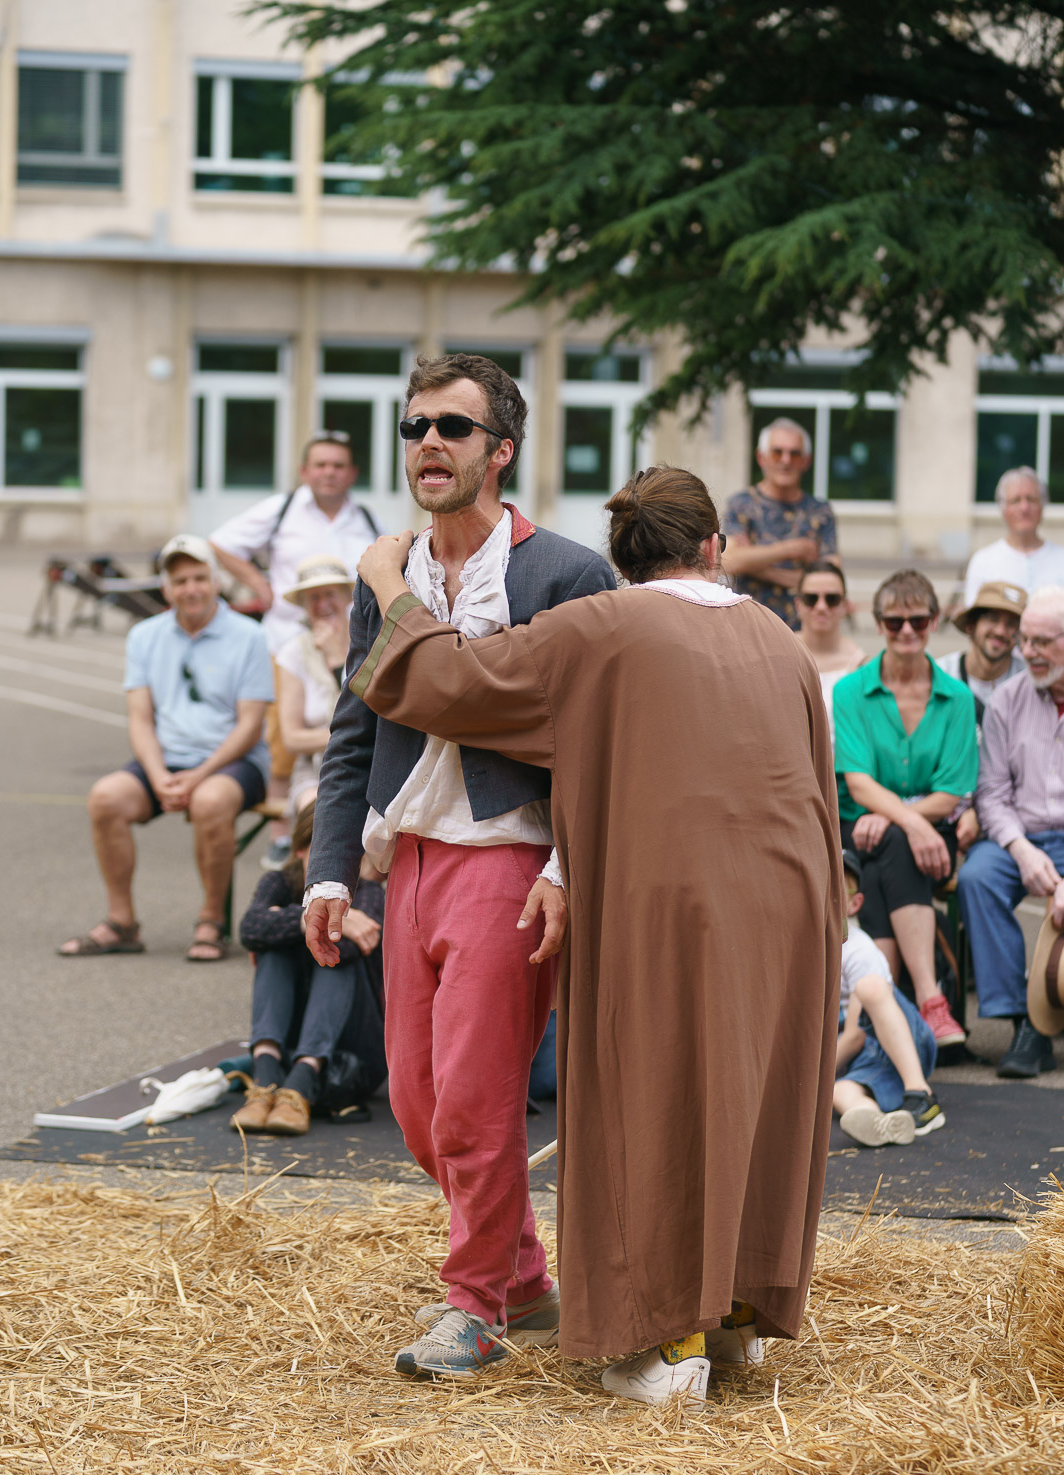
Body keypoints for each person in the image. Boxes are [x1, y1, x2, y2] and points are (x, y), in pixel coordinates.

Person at [326, 463, 844, 1408]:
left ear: (623, 557)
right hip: (791, 897)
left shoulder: (605, 625)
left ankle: (658, 1340)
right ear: (714, 548)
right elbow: (818, 770)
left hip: (669, 898)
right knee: (749, 1094)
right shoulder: (774, 634)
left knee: (653, 1097)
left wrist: (387, 582)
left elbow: (451, 682)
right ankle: (734, 1319)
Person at [303, 352, 617, 1380]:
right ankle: (522, 1277)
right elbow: (353, 734)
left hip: (509, 857)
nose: (427, 443)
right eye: (413, 427)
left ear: (501, 450)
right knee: (413, 1103)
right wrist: (329, 871)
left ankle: (472, 1304)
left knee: (476, 1101)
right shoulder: (381, 573)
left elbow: (599, 742)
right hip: (412, 860)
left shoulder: (562, 573)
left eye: (451, 426)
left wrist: (567, 865)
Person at [58, 535, 273, 962]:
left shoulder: (248, 635)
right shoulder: (144, 636)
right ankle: (122, 923)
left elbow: (250, 725)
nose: (190, 589)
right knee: (105, 798)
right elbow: (140, 718)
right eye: (179, 581)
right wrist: (157, 776)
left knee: (211, 801)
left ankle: (211, 921)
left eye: (198, 578)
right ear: (166, 587)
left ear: (214, 581)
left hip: (234, 762)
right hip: (166, 761)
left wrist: (197, 776)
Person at [209, 430, 382, 865]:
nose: (329, 472)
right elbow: (222, 543)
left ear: (352, 473)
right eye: (321, 465)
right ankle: (281, 833)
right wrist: (260, 586)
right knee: (282, 737)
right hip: (287, 639)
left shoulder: (366, 518)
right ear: (305, 471)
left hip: (349, 644)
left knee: (349, 717)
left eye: (338, 465)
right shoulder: (282, 509)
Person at [833, 570, 978, 1048]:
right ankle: (929, 1000)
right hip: (869, 825)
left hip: (929, 827)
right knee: (894, 841)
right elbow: (857, 781)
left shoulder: (957, 698)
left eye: (918, 620)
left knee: (887, 849)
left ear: (935, 621)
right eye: (895, 623)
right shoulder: (851, 690)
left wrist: (900, 817)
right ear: (878, 625)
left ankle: (878, 1013)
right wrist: (911, 821)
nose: (908, 631)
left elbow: (952, 792)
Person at [956, 584, 1064, 1079]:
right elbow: (992, 795)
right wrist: (1020, 850)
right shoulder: (1008, 700)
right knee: (978, 876)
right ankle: (1028, 1021)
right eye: (1027, 641)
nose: (1029, 653)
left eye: (1043, 642)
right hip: (1020, 833)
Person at [234, 801, 385, 1136]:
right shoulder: (279, 881)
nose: (336, 871)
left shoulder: (370, 893)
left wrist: (293, 922)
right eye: (325, 857)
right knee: (275, 946)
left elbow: (345, 947)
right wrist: (306, 921)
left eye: (347, 858)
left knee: (331, 952)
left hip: (350, 1057)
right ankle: (267, 1074)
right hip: (290, 1040)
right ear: (301, 852)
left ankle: (302, 1080)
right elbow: (250, 928)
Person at [835, 851, 943, 1147]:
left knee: (869, 987)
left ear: (854, 903)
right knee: (839, 1091)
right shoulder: (803, 949)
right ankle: (878, 1123)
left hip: (892, 1039)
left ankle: (921, 1094)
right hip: (859, 1060)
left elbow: (857, 1035)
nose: (826, 893)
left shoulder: (857, 949)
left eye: (837, 888)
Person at [722, 416, 837, 627]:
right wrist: (792, 549)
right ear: (761, 457)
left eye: (794, 454)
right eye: (777, 452)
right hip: (749, 626)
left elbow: (830, 581)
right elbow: (728, 561)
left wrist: (754, 565)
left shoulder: (820, 512)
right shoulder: (741, 505)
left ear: (806, 461)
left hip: (804, 634)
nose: (786, 460)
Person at [275, 555, 355, 815]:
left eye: (329, 594)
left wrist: (337, 660)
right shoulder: (293, 653)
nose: (322, 604)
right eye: (313, 597)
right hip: (314, 767)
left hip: (369, 761)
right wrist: (350, 738)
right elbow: (293, 738)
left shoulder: (371, 643)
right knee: (317, 810)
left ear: (347, 597)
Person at [962, 467, 1064, 608]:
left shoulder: (1061, 559)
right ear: (1003, 509)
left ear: (1042, 506)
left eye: (1031, 499)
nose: (1024, 508)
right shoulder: (983, 562)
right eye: (1015, 500)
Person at [794, 560, 865, 744]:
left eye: (831, 599)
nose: (821, 607)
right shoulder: (777, 652)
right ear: (798, 604)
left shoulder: (862, 666)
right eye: (811, 599)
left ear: (845, 606)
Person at [937, 581, 1026, 728]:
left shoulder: (1028, 682)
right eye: (992, 619)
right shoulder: (941, 675)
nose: (1000, 631)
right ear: (971, 626)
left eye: (1011, 624)